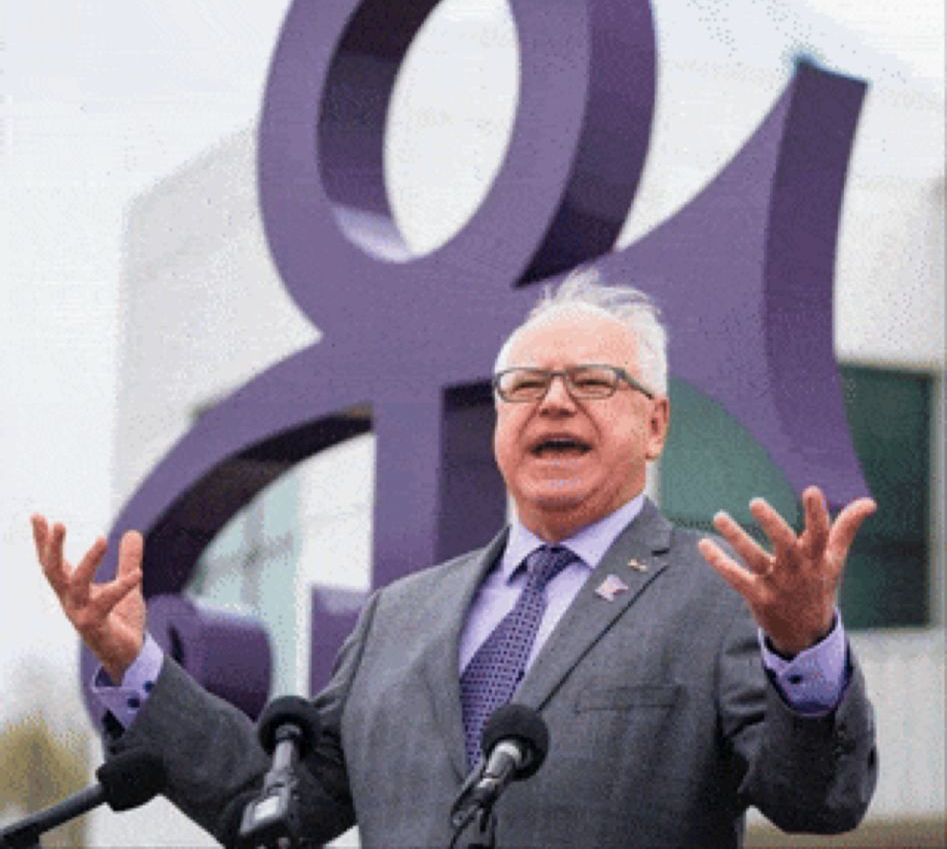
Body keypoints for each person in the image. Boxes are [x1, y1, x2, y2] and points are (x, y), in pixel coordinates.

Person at [32, 270, 877, 848]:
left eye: (591, 382)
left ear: (653, 424)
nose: (553, 399)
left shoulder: (716, 593)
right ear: (501, 422)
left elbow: (818, 802)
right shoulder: (398, 616)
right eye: (524, 385)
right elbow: (272, 804)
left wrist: (802, 649)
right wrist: (131, 662)